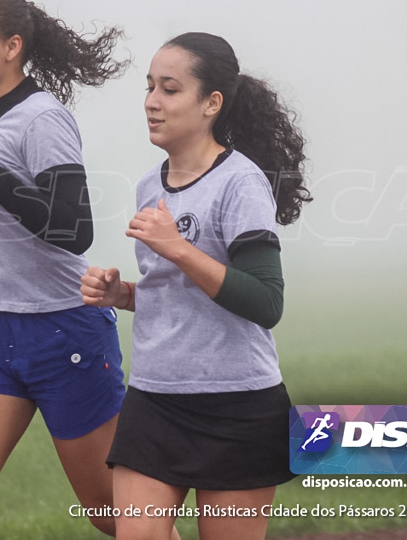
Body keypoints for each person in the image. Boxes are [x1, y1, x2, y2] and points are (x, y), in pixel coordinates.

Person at [81, 32, 310, 540]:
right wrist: (124, 296)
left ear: (212, 103)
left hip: (236, 407)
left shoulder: (240, 183)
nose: (151, 102)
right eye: (149, 88)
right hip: (154, 399)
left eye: (169, 89)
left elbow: (266, 302)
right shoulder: (149, 185)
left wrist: (178, 248)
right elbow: (175, 292)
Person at [0, 0, 129, 539]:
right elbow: (25, 219)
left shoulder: (42, 119)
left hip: (61, 332)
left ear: (13, 45)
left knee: (116, 515)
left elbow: (73, 228)